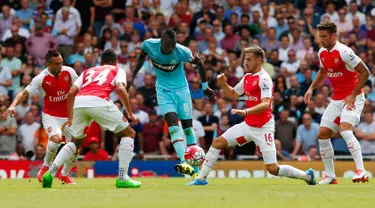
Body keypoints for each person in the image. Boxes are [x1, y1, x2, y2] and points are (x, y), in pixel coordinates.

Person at [189, 46, 315, 186]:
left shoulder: (264, 79)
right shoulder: (248, 77)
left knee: (273, 169)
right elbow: (232, 94)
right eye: (245, 59)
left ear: (259, 60)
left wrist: (246, 112)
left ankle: (307, 177)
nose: (245, 63)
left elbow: (266, 104)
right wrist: (224, 84)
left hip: (263, 128)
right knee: (217, 143)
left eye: (249, 60)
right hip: (248, 125)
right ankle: (201, 179)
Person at [41, 49, 141, 189]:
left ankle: (50, 173)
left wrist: (70, 116)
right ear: (115, 61)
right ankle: (122, 178)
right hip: (99, 100)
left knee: (76, 141)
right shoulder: (118, 70)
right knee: (129, 134)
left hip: (79, 102)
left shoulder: (88, 71)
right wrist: (129, 113)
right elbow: (120, 88)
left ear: (101, 62)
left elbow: (71, 93)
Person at [127, 28, 215, 179]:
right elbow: (141, 56)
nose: (171, 50)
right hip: (163, 91)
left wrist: (205, 87)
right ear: (161, 42)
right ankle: (185, 164)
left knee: (187, 127)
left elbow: (200, 62)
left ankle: (195, 167)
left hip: (182, 91)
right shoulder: (149, 45)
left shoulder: (182, 51)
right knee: (173, 126)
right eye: (168, 48)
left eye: (173, 47)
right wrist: (132, 76)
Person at [304, 20, 371, 185]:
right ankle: (330, 176)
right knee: (323, 134)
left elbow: (365, 72)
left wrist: (353, 94)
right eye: (320, 36)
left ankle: (361, 171)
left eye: (325, 36)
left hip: (354, 97)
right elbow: (322, 71)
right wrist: (311, 88)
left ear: (334, 35)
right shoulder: (322, 52)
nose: (321, 39)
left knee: (345, 130)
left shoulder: (344, 51)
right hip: (337, 99)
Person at [1, 49, 78, 184]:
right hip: (51, 115)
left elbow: (79, 88)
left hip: (69, 115)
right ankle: (45, 166)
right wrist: (13, 105)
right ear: (48, 64)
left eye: (61, 62)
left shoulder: (69, 72)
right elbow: (24, 93)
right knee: (56, 139)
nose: (60, 66)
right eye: (56, 64)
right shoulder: (41, 78)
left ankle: (65, 174)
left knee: (75, 148)